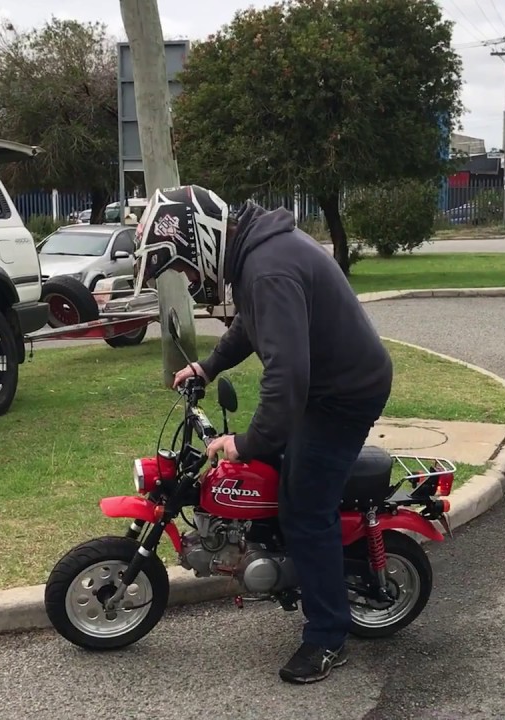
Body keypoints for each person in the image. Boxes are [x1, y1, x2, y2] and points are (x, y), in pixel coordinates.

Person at [135, 185, 393, 684]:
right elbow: (252, 327)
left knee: (304, 505)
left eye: (184, 266)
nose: (188, 280)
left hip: (344, 394)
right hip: (326, 387)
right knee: (279, 477)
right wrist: (208, 367)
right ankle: (286, 567)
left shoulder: (267, 267)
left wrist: (249, 442)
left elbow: (287, 376)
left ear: (202, 242)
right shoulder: (258, 255)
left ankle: (327, 636)